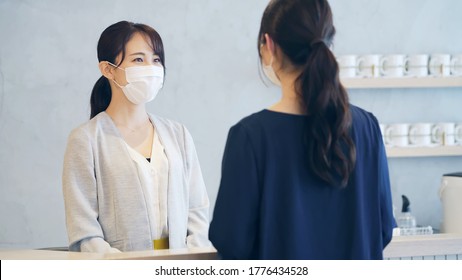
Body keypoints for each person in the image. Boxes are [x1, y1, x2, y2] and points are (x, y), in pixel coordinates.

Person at [209, 0, 395, 259]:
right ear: (328, 41)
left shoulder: (250, 137)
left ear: (268, 45)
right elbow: (383, 230)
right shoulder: (367, 128)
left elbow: (231, 242)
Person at [62, 21, 211, 253]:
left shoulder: (178, 134)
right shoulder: (86, 140)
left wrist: (191, 261)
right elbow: (84, 230)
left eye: (156, 59)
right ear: (108, 69)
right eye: (138, 59)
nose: (151, 67)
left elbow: (197, 210)